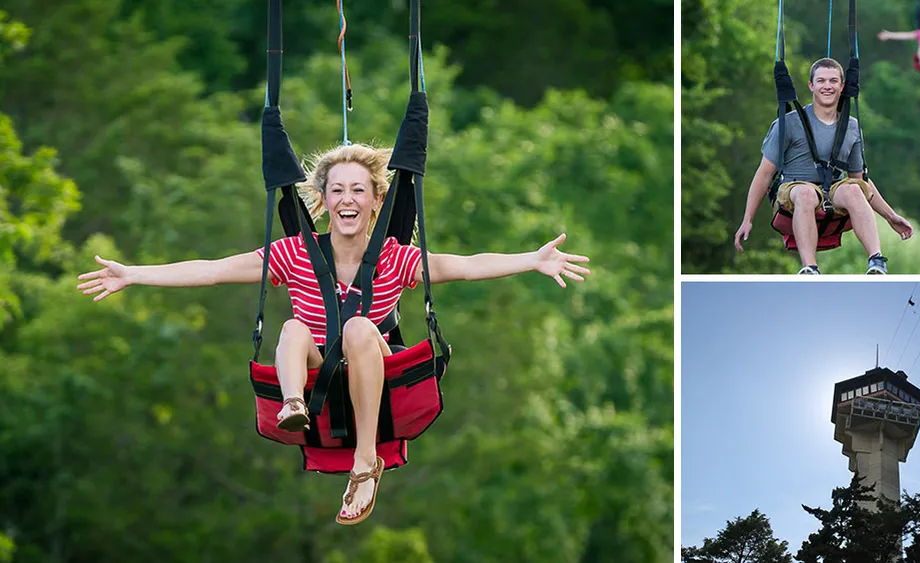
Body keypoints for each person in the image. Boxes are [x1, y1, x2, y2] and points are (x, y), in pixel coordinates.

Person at [76, 143, 591, 525]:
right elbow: (211, 269)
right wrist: (135, 273)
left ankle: (366, 461)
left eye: (358, 191)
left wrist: (532, 260)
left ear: (375, 202)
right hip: (316, 374)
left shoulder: (396, 259)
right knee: (295, 326)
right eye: (337, 190)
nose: (347, 199)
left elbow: (463, 264)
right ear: (322, 201)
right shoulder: (294, 254)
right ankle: (292, 402)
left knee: (362, 327)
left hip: (375, 374)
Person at [732, 58, 914, 275]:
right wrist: (747, 219)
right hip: (794, 189)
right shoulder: (788, 123)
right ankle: (810, 267)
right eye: (821, 81)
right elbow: (763, 174)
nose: (827, 86)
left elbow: (860, 178)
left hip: (832, 192)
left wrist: (890, 216)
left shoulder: (851, 126)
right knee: (807, 193)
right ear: (811, 86)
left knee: (854, 189)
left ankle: (876, 260)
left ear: (842, 86)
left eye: (833, 81)